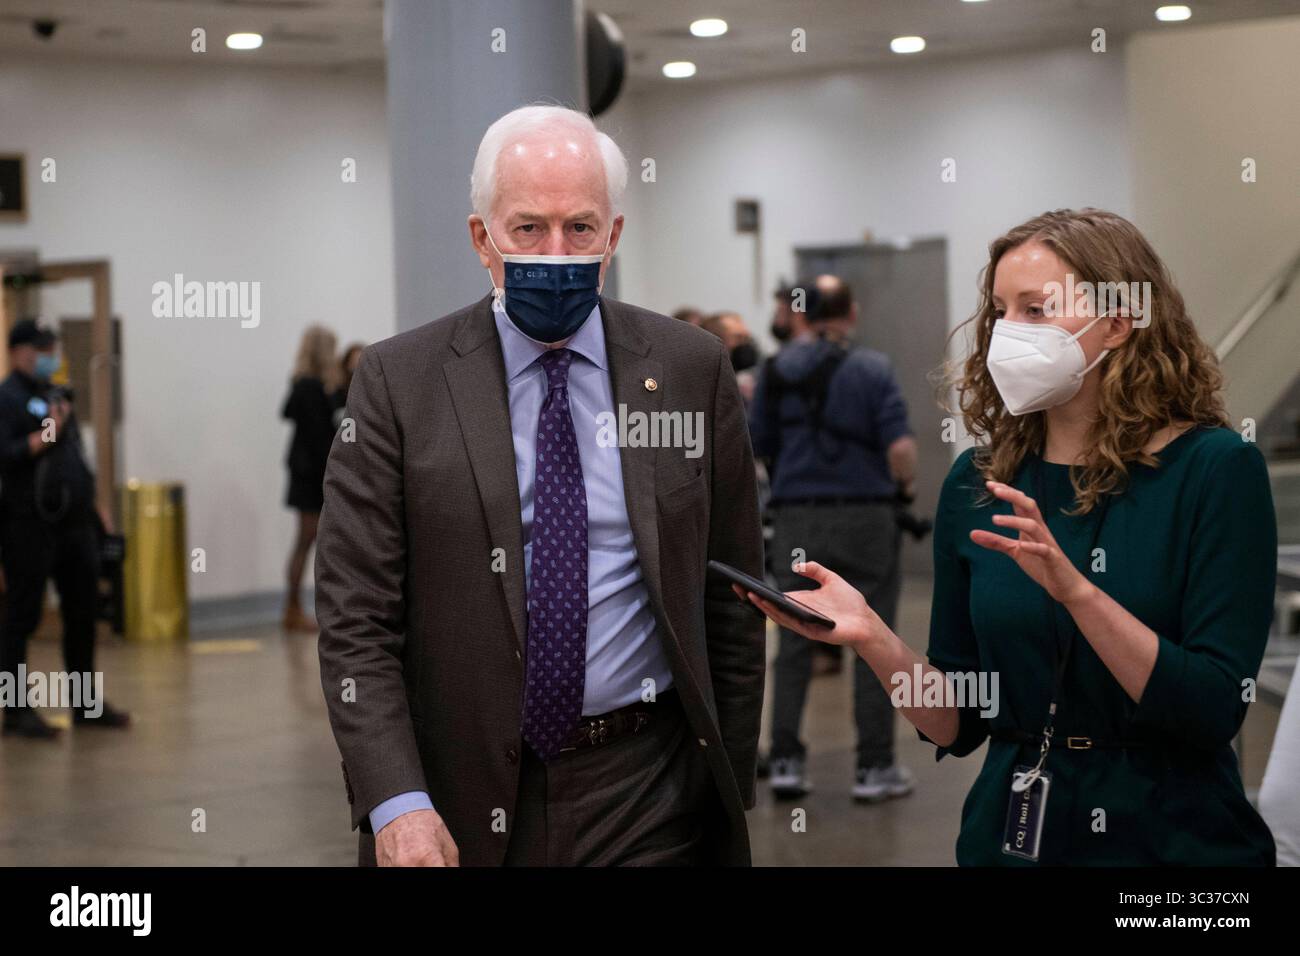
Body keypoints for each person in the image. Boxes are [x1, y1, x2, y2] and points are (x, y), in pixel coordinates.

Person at [737, 208, 1277, 865]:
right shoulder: (979, 480)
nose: (1006, 334)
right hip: (1013, 837)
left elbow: (1213, 709)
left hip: (1172, 842)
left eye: (1037, 309)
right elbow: (960, 720)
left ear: (1119, 319)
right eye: (1000, 311)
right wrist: (875, 639)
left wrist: (1078, 593)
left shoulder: (1215, 470)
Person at [315, 105, 765, 867]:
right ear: (480, 238)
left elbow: (732, 595)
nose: (555, 254)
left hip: (647, 789)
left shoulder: (689, 369)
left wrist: (724, 779)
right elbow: (356, 616)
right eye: (527, 229)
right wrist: (396, 802)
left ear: (613, 236)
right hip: (457, 796)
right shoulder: (400, 383)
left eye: (580, 229)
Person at [748, 275, 918, 802]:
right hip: (866, 517)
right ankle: (873, 770)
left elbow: (758, 444)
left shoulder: (775, 371)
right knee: (870, 638)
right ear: (852, 312)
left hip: (798, 519)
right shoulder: (872, 368)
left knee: (796, 643)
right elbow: (903, 451)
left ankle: (785, 765)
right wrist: (903, 488)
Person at [0, 319, 130, 738]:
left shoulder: (55, 396)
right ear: (19, 350)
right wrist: (49, 430)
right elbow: (11, 454)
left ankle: (86, 706)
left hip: (75, 525)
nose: (49, 355)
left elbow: (74, 454)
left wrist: (97, 508)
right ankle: (15, 710)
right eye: (42, 348)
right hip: (28, 524)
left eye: (52, 347)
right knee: (22, 616)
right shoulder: (8, 398)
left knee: (82, 614)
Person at [281, 325, 341, 633]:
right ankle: (294, 609)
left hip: (305, 472)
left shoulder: (307, 385)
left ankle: (296, 608)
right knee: (308, 541)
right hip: (311, 475)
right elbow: (320, 438)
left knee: (308, 542)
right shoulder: (310, 388)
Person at [699, 310, 759, 406]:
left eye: (746, 338)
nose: (745, 344)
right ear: (716, 340)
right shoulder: (704, 387)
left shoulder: (754, 381)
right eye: (738, 337)